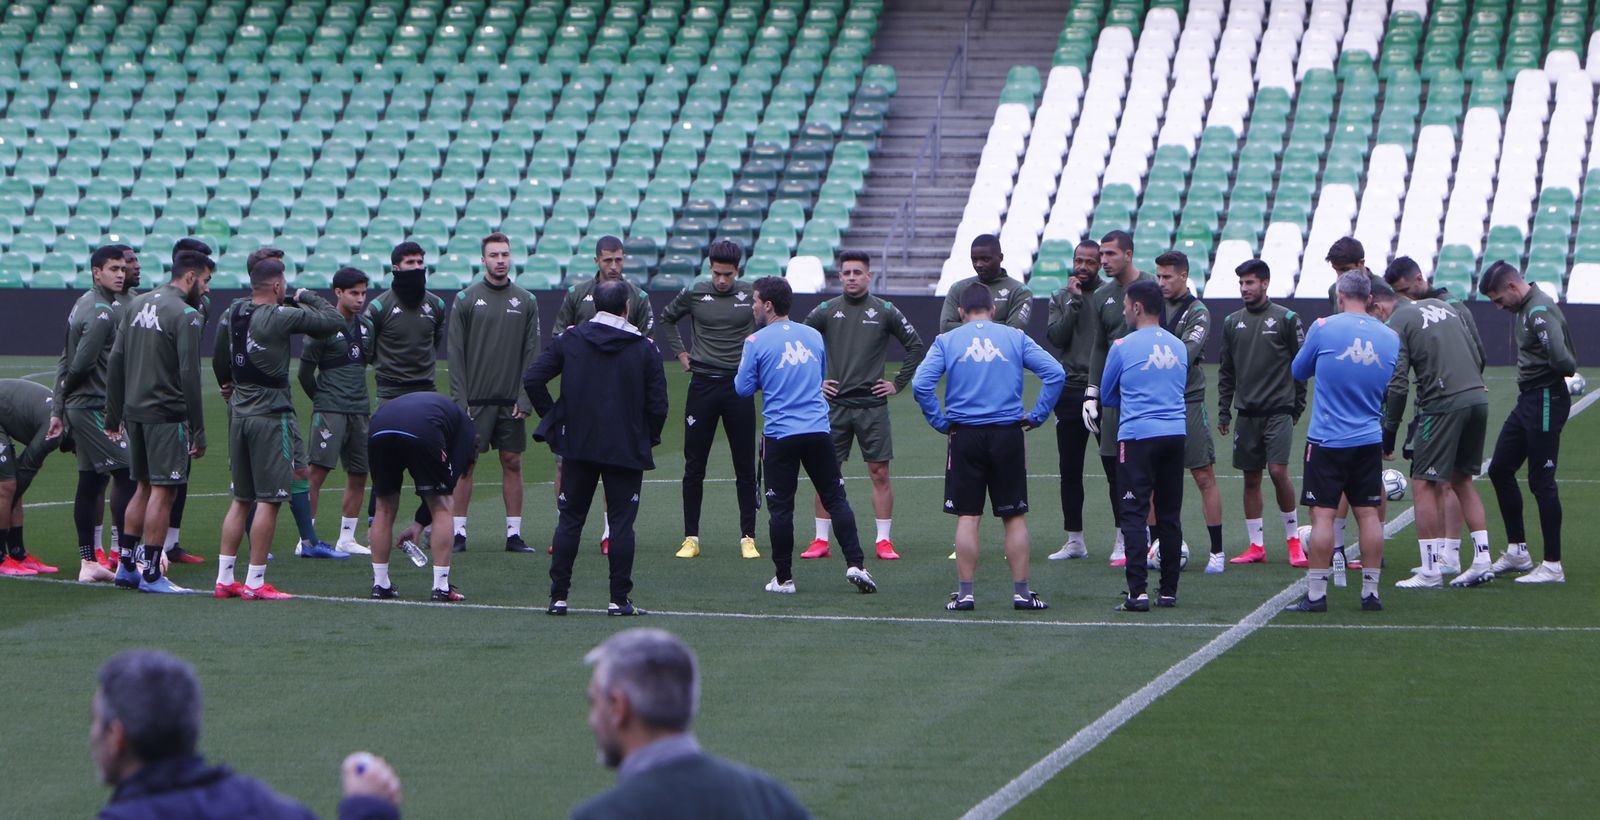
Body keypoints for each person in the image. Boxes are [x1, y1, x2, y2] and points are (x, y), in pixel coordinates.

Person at [92, 649, 401, 820]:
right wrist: (369, 809)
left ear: (118, 738)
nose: (92, 735)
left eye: (96, 721)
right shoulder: (261, 803)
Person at [914, 284, 1064, 611]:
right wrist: (1037, 415)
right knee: (1014, 516)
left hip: (965, 435)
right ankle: (1022, 593)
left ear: (962, 313)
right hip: (1007, 433)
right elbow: (1055, 373)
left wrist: (940, 422)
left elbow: (920, 384)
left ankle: (966, 594)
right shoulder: (1014, 336)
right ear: (993, 310)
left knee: (968, 515)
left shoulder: (947, 340)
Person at [525, 279, 668, 616]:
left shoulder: (571, 339)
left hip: (578, 443)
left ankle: (558, 597)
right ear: (627, 307)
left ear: (594, 307)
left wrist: (555, 419)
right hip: (625, 446)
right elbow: (658, 404)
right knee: (621, 524)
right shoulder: (644, 347)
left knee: (570, 520)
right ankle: (619, 599)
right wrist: (649, 436)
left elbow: (533, 379)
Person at [735, 276, 879, 596]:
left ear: (768, 305)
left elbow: (742, 388)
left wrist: (764, 377)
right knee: (836, 499)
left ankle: (784, 579)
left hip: (780, 434)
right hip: (817, 430)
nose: (753, 306)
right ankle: (856, 564)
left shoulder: (756, 341)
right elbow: (818, 374)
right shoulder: (813, 335)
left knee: (781, 509)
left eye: (756, 300)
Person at [211, 260, 345, 600]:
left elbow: (218, 354)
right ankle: (256, 582)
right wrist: (304, 295)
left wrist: (227, 382)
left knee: (241, 499)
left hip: (238, 413)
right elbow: (333, 320)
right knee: (269, 500)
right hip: (271, 415)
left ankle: (225, 578)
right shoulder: (281, 316)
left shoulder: (235, 310)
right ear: (276, 286)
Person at [573, 629, 809, 820]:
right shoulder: (771, 801)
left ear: (618, 707)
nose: (591, 718)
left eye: (594, 702)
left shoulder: (604, 814)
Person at [1284, 272, 1399, 612]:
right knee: (1368, 516)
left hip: (1327, 438)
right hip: (1367, 437)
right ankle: (1370, 593)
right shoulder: (1390, 337)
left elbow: (1298, 370)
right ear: (1370, 298)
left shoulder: (1324, 327)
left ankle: (1317, 595)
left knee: (1322, 515)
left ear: (1339, 296)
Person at [801, 249, 925, 561]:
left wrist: (897, 383)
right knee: (826, 473)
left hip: (872, 406)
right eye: (847, 273)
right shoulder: (826, 310)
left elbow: (915, 345)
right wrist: (816, 381)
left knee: (879, 472)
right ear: (839, 276)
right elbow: (799, 342)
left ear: (869, 276)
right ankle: (820, 539)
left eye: (858, 272)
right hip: (834, 406)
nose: (852, 277)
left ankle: (883, 541)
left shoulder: (884, 310)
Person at [1369, 285, 1495, 589]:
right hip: (1478, 397)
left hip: (1443, 404)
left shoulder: (1398, 322)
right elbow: (1478, 351)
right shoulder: (1445, 308)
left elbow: (1398, 385)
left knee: (1423, 482)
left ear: (1379, 307)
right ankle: (1482, 559)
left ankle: (1430, 570)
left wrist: (1389, 434)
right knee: (1461, 480)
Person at [104, 250, 212, 593]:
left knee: (143, 487)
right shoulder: (187, 315)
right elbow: (190, 374)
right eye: (206, 281)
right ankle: (151, 572)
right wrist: (199, 428)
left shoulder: (136, 303)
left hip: (134, 412)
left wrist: (113, 412)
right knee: (163, 492)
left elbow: (116, 360)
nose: (208, 290)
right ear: (191, 277)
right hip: (167, 414)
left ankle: (126, 566)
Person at [551, 235, 657, 554]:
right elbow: (560, 336)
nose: (614, 266)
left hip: (620, 396)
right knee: (564, 464)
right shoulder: (577, 294)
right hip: (581, 396)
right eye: (608, 260)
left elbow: (647, 343)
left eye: (619, 260)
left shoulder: (637, 296)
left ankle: (611, 531)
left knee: (616, 463)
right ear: (596, 260)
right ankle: (564, 528)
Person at [658, 239, 760, 560]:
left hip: (738, 387)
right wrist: (681, 354)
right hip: (702, 386)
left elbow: (770, 326)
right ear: (709, 268)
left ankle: (748, 537)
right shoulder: (695, 292)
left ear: (737, 271)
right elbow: (667, 318)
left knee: (744, 466)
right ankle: (691, 537)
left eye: (727, 275)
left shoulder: (750, 294)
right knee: (694, 465)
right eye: (717, 273)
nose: (721, 281)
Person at [1479, 261, 1578, 584]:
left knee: (1541, 480)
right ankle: (1518, 551)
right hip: (1530, 399)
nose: (1497, 307)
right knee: (1500, 469)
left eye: (1497, 300)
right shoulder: (1526, 308)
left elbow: (1564, 361)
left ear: (1511, 287)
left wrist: (1549, 371)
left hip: (1546, 398)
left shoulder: (1537, 312)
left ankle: (1552, 565)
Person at [446, 232, 541, 554]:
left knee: (512, 461)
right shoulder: (466, 299)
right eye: (494, 255)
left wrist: (525, 397)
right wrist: (460, 401)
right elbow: (455, 354)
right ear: (483, 259)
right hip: (474, 402)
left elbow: (532, 353)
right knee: (466, 464)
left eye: (505, 255)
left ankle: (514, 534)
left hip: (511, 400)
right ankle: (458, 532)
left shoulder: (526, 300)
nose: (500, 260)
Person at [1100, 280, 1188, 611]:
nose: (1123, 310)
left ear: (1137, 307)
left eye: (1125, 305)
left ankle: (1137, 593)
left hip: (1137, 436)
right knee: (1169, 514)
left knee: (1134, 512)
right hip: (1174, 434)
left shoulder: (1123, 346)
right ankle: (1168, 592)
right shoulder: (1178, 346)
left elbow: (1108, 395)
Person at [52, 244, 137, 581]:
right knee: (129, 472)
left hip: (83, 406)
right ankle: (128, 554)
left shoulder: (84, 303)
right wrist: (64, 401)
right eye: (113, 269)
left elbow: (65, 357)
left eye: (122, 268)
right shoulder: (102, 311)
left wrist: (61, 404)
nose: (120, 274)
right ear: (96, 272)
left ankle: (89, 563)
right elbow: (80, 364)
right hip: (92, 407)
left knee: (90, 480)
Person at [1217, 259, 1307, 566]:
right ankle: (1257, 546)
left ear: (1265, 283)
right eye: (1241, 283)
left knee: (1278, 472)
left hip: (1279, 410)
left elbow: (1301, 367)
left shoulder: (1287, 318)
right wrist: (1224, 412)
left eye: (1250, 282)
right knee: (1250, 478)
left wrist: (1297, 406)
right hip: (1247, 414)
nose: (1244, 288)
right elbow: (1226, 371)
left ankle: (1294, 541)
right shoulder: (1231, 322)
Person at [1081, 230, 1156, 565]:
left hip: (1148, 395)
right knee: (1115, 466)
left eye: (1110, 254)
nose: (1103, 261)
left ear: (1128, 254)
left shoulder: (1155, 286)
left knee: (1151, 469)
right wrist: (1092, 391)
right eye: (1102, 254)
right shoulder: (1101, 296)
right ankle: (1124, 534)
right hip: (1114, 396)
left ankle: (1155, 537)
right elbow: (1099, 345)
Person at [1153, 251, 1226, 573]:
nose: (1161, 282)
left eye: (1167, 277)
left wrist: (1147, 356)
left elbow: (1186, 353)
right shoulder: (1152, 305)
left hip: (1188, 402)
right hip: (1154, 402)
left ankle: (1217, 552)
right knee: (1152, 481)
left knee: (1203, 475)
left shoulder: (1198, 311)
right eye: (1158, 276)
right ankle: (1155, 548)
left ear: (1183, 276)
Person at [364, 392, 475, 602]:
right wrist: (422, 520)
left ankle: (380, 584)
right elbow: (446, 488)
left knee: (383, 508)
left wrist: (417, 524)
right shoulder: (467, 433)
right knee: (442, 505)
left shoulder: (446, 412)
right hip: (421, 429)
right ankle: (441, 587)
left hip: (379, 426)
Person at [363, 243, 445, 525]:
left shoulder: (436, 304)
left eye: (420, 261)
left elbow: (435, 341)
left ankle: (426, 522)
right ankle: (376, 521)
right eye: (410, 262)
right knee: (386, 461)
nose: (417, 267)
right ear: (396, 268)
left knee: (431, 461)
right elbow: (368, 350)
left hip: (425, 393)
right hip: (390, 393)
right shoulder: (378, 306)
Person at [300, 267, 376, 555]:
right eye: (354, 293)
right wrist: (323, 400)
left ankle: (347, 537)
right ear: (338, 293)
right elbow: (305, 374)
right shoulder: (321, 327)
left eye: (363, 293)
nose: (360, 299)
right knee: (316, 472)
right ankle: (307, 538)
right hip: (331, 410)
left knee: (359, 473)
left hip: (360, 409)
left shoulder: (367, 326)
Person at [1045, 239, 1104, 560]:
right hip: (1069, 391)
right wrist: (1074, 303)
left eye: (1089, 262)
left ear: (1099, 264)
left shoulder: (1110, 296)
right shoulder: (1060, 297)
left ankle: (1123, 539)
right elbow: (1056, 337)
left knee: (1114, 466)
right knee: (1070, 469)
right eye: (1078, 261)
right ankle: (1075, 540)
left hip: (1104, 389)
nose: (1082, 267)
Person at [161, 238, 217, 567]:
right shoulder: (164, 303)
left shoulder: (201, 304)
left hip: (179, 400)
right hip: (161, 399)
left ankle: (170, 543)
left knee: (180, 475)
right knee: (147, 480)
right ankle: (128, 548)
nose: (207, 285)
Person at [0, 378, 65, 576]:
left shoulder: (64, 421)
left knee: (13, 483)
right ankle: (1, 558)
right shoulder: (56, 432)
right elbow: (27, 467)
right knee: (8, 486)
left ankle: (18, 553)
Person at [938, 233, 1033, 333]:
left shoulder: (1020, 291)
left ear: (1000, 257)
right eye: (974, 260)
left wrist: (967, 324)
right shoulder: (958, 288)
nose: (978, 264)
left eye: (985, 259)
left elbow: (1012, 333)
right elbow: (945, 328)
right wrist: (1000, 324)